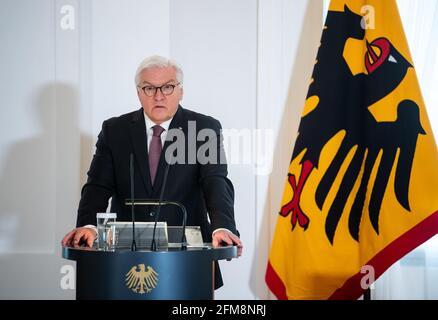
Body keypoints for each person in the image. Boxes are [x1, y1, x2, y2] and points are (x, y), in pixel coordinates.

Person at [61, 55, 242, 288]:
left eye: (167, 87)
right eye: (149, 88)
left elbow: (215, 181)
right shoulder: (115, 130)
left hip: (188, 257)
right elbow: (97, 186)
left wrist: (222, 226)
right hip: (123, 258)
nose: (159, 96)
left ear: (180, 91)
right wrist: (87, 226)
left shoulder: (203, 129)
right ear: (138, 92)